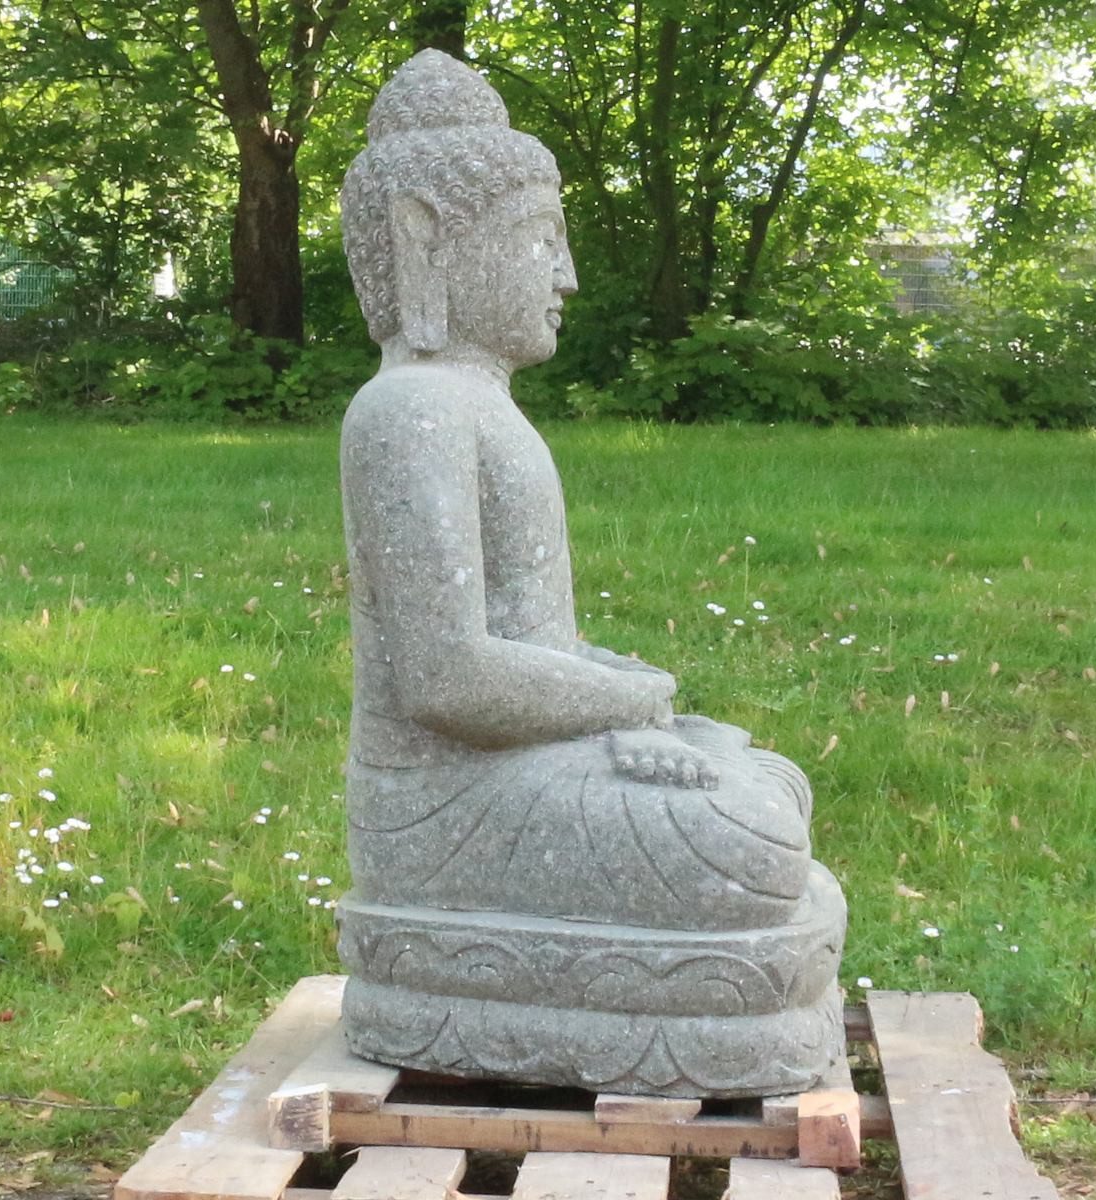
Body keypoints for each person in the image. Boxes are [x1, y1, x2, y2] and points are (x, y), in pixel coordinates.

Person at [336, 50, 844, 1094]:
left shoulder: (477, 404)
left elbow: (537, 645)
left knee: (768, 787)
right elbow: (447, 680)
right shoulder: (408, 410)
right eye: (540, 240)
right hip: (445, 805)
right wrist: (638, 704)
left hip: (527, 763)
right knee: (744, 840)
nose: (564, 275)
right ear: (425, 237)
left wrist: (626, 703)